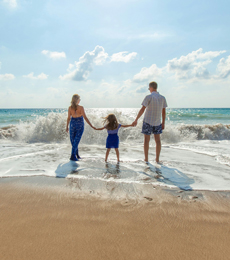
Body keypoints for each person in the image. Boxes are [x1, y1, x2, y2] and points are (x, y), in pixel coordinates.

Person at [132, 81, 167, 164]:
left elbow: (142, 109)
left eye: (149, 88)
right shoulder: (162, 98)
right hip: (158, 122)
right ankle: (157, 159)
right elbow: (164, 112)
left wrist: (136, 119)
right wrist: (163, 123)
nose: (149, 90)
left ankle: (146, 159)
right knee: (158, 141)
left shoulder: (148, 97)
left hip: (147, 121)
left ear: (151, 88)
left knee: (146, 141)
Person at [66, 94, 94, 161]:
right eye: (79, 99)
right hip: (79, 124)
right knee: (75, 141)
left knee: (74, 141)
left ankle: (76, 155)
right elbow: (85, 117)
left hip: (73, 123)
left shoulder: (71, 108)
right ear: (78, 100)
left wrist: (67, 126)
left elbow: (68, 118)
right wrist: (91, 125)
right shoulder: (80, 108)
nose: (80, 101)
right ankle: (73, 156)